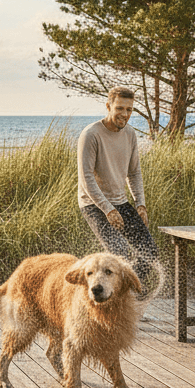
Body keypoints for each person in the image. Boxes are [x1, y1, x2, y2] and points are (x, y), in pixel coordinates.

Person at [77, 86, 159, 285]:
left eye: (129, 110)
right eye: (120, 108)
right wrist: (108, 209)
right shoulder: (91, 135)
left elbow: (134, 172)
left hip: (121, 203)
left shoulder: (129, 134)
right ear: (108, 106)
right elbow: (86, 178)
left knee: (149, 251)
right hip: (95, 204)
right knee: (119, 251)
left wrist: (140, 204)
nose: (125, 114)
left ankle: (125, 296)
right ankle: (108, 297)